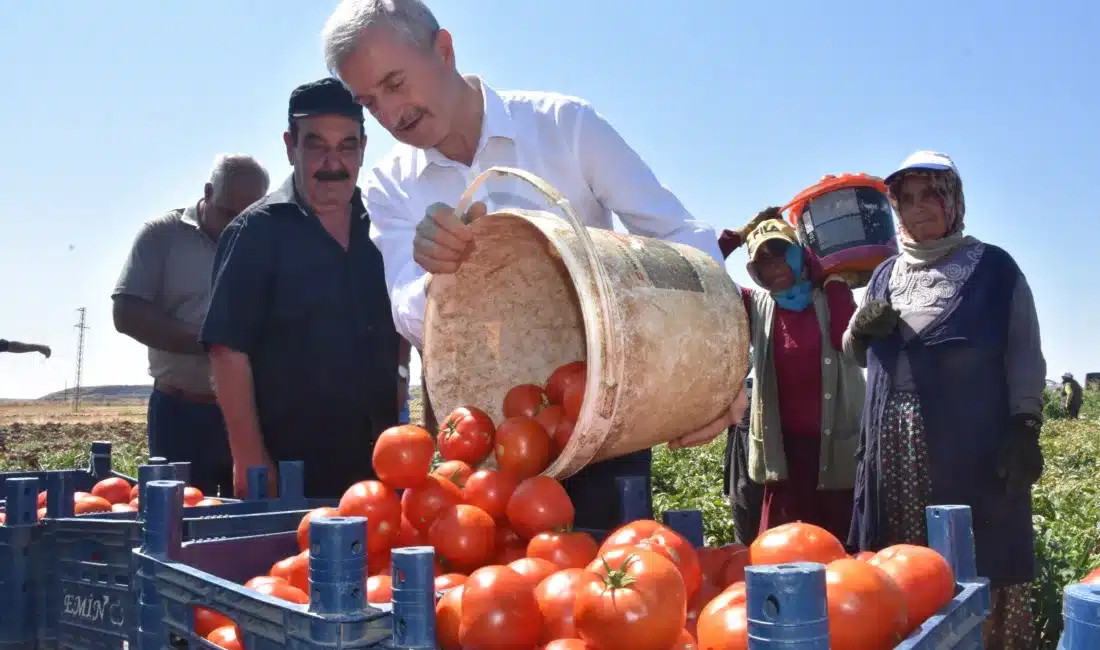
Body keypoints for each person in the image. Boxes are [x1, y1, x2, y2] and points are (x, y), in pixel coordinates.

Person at [320, 0, 744, 529]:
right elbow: (406, 310)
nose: (391, 113)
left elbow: (679, 236)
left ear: (445, 50)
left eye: (396, 82)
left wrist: (721, 363)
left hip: (600, 418)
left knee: (604, 574)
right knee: (497, 589)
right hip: (479, 442)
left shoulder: (565, 126)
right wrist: (437, 276)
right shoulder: (389, 186)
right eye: (370, 102)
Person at [844, 151, 1045, 650]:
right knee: (902, 564)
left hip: (973, 448)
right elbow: (854, 351)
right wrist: (860, 326)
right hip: (894, 453)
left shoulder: (996, 269)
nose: (919, 209)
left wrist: (1025, 425)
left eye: (931, 195)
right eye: (906, 200)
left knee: (983, 550)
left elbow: (1024, 348)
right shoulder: (884, 274)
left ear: (953, 200)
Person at [199, 78, 407, 499]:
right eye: (316, 145)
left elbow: (402, 321)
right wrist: (250, 459)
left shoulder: (385, 227)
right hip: (290, 472)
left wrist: (402, 399)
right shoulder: (256, 232)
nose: (334, 162)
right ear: (290, 145)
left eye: (347, 146)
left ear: (364, 148)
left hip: (381, 467)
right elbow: (227, 351)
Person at [112, 154, 269, 497]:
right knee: (175, 520)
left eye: (248, 216)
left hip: (245, 414)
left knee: (246, 520)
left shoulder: (264, 240)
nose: (236, 227)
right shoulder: (161, 236)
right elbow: (126, 311)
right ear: (208, 192)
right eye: (229, 214)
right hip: (178, 412)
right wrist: (210, 343)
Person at [718, 213, 864, 543]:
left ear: (800, 255)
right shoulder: (756, 304)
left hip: (834, 455)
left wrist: (833, 279)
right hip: (783, 459)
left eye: (780, 253)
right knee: (784, 553)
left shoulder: (832, 293)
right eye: (762, 260)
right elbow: (705, 266)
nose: (773, 266)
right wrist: (737, 236)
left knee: (842, 556)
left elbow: (850, 341)